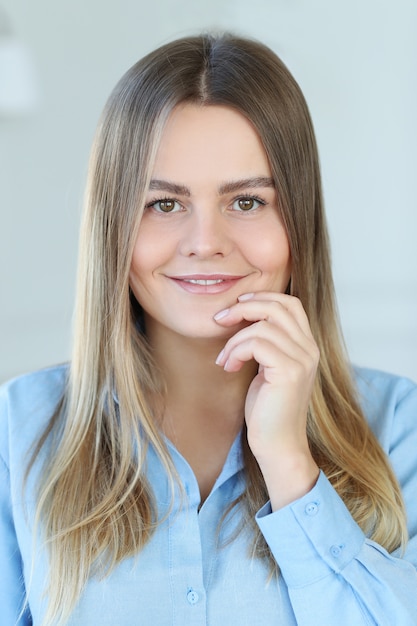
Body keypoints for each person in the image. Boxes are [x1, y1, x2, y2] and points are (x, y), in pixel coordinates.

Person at [1, 33, 416, 626]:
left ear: (298, 219)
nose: (205, 244)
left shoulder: (399, 425)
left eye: (247, 202)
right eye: (164, 205)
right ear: (112, 227)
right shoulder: (17, 430)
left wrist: (290, 465)